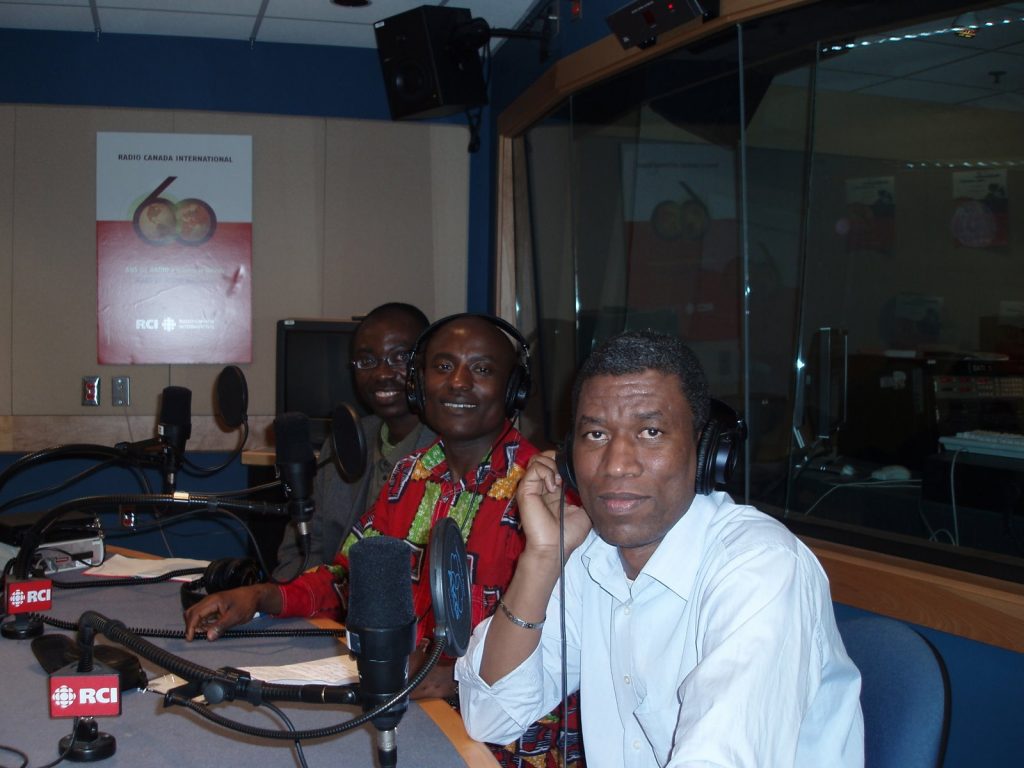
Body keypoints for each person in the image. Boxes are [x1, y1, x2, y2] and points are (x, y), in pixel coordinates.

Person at [184, 314, 583, 765]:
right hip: (410, 712)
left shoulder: (545, 495)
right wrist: (261, 596)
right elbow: (349, 577)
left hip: (508, 742)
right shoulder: (410, 474)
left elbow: (562, 653)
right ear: (419, 384)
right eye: (443, 367)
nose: (458, 383)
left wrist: (453, 678)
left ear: (514, 389)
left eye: (483, 369)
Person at [456, 330, 864, 767]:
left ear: (707, 451)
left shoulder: (760, 569)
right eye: (595, 435)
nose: (616, 464)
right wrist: (540, 557)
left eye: (650, 432)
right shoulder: (591, 560)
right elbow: (491, 717)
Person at [273, 302, 435, 578]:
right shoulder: (341, 443)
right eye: (367, 361)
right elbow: (297, 555)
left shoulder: (452, 454)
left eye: (399, 358)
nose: (382, 374)